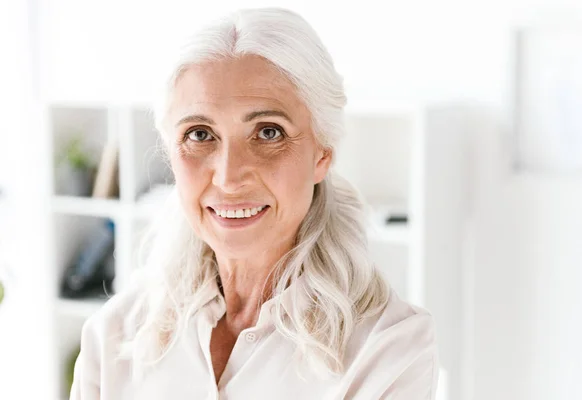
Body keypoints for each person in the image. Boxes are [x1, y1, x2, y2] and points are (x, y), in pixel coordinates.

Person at [70, 7, 439, 400]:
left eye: (268, 132)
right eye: (199, 134)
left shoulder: (389, 349)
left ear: (323, 153)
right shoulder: (114, 336)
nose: (229, 178)